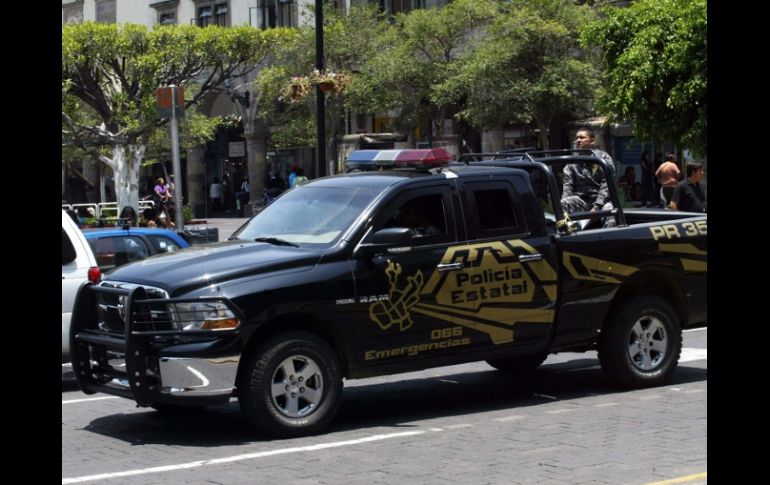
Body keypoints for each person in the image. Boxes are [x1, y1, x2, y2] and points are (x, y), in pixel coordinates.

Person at [561, 128, 616, 226]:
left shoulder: (603, 158)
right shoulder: (572, 162)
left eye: (582, 137)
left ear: (592, 140)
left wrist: (597, 207)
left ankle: (607, 238)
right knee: (564, 203)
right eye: (577, 138)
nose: (578, 140)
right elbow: (567, 185)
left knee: (610, 212)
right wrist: (564, 203)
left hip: (602, 201)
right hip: (582, 200)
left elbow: (607, 183)